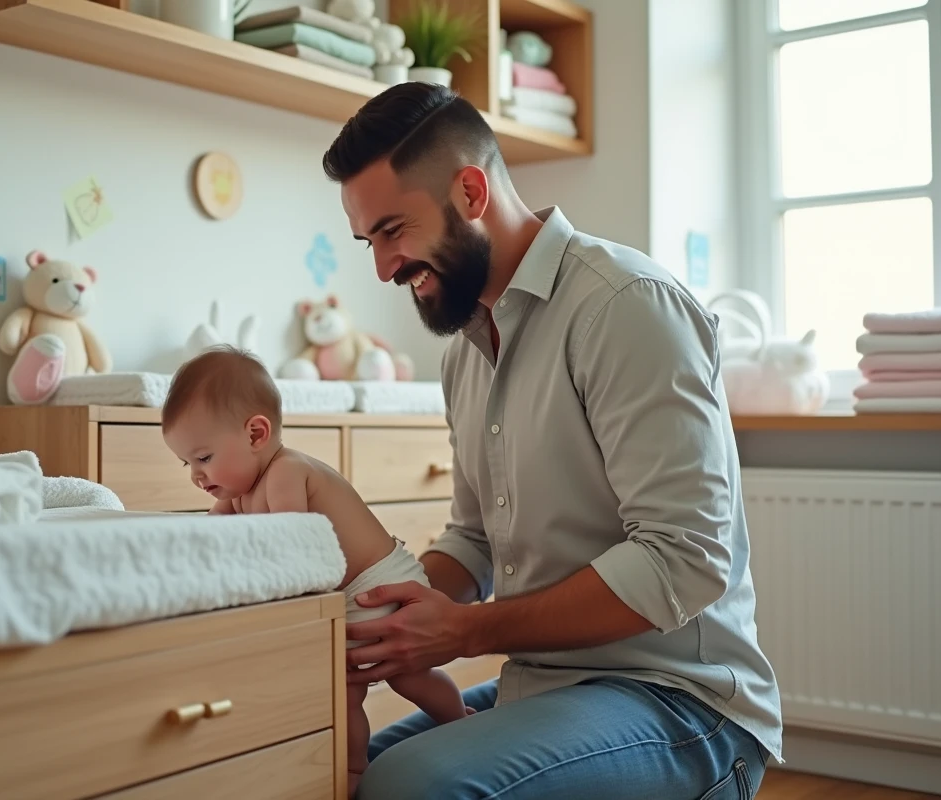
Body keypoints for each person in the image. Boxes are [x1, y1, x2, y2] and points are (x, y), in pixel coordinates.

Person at [320, 81, 784, 799]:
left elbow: (683, 561)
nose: (382, 268)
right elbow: (474, 541)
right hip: (547, 687)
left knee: (409, 788)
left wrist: (465, 633)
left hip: (684, 702)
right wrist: (375, 615)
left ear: (471, 192)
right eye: (369, 241)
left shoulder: (626, 307)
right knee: (335, 774)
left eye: (393, 231)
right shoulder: (464, 353)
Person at [159, 345, 471, 796]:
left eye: (203, 458)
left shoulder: (287, 473)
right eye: (187, 463)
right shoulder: (237, 492)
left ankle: (457, 719)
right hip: (342, 597)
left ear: (255, 434)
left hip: (380, 583)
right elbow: (206, 543)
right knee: (342, 692)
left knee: (409, 676)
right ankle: (351, 768)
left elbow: (297, 554)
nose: (195, 475)